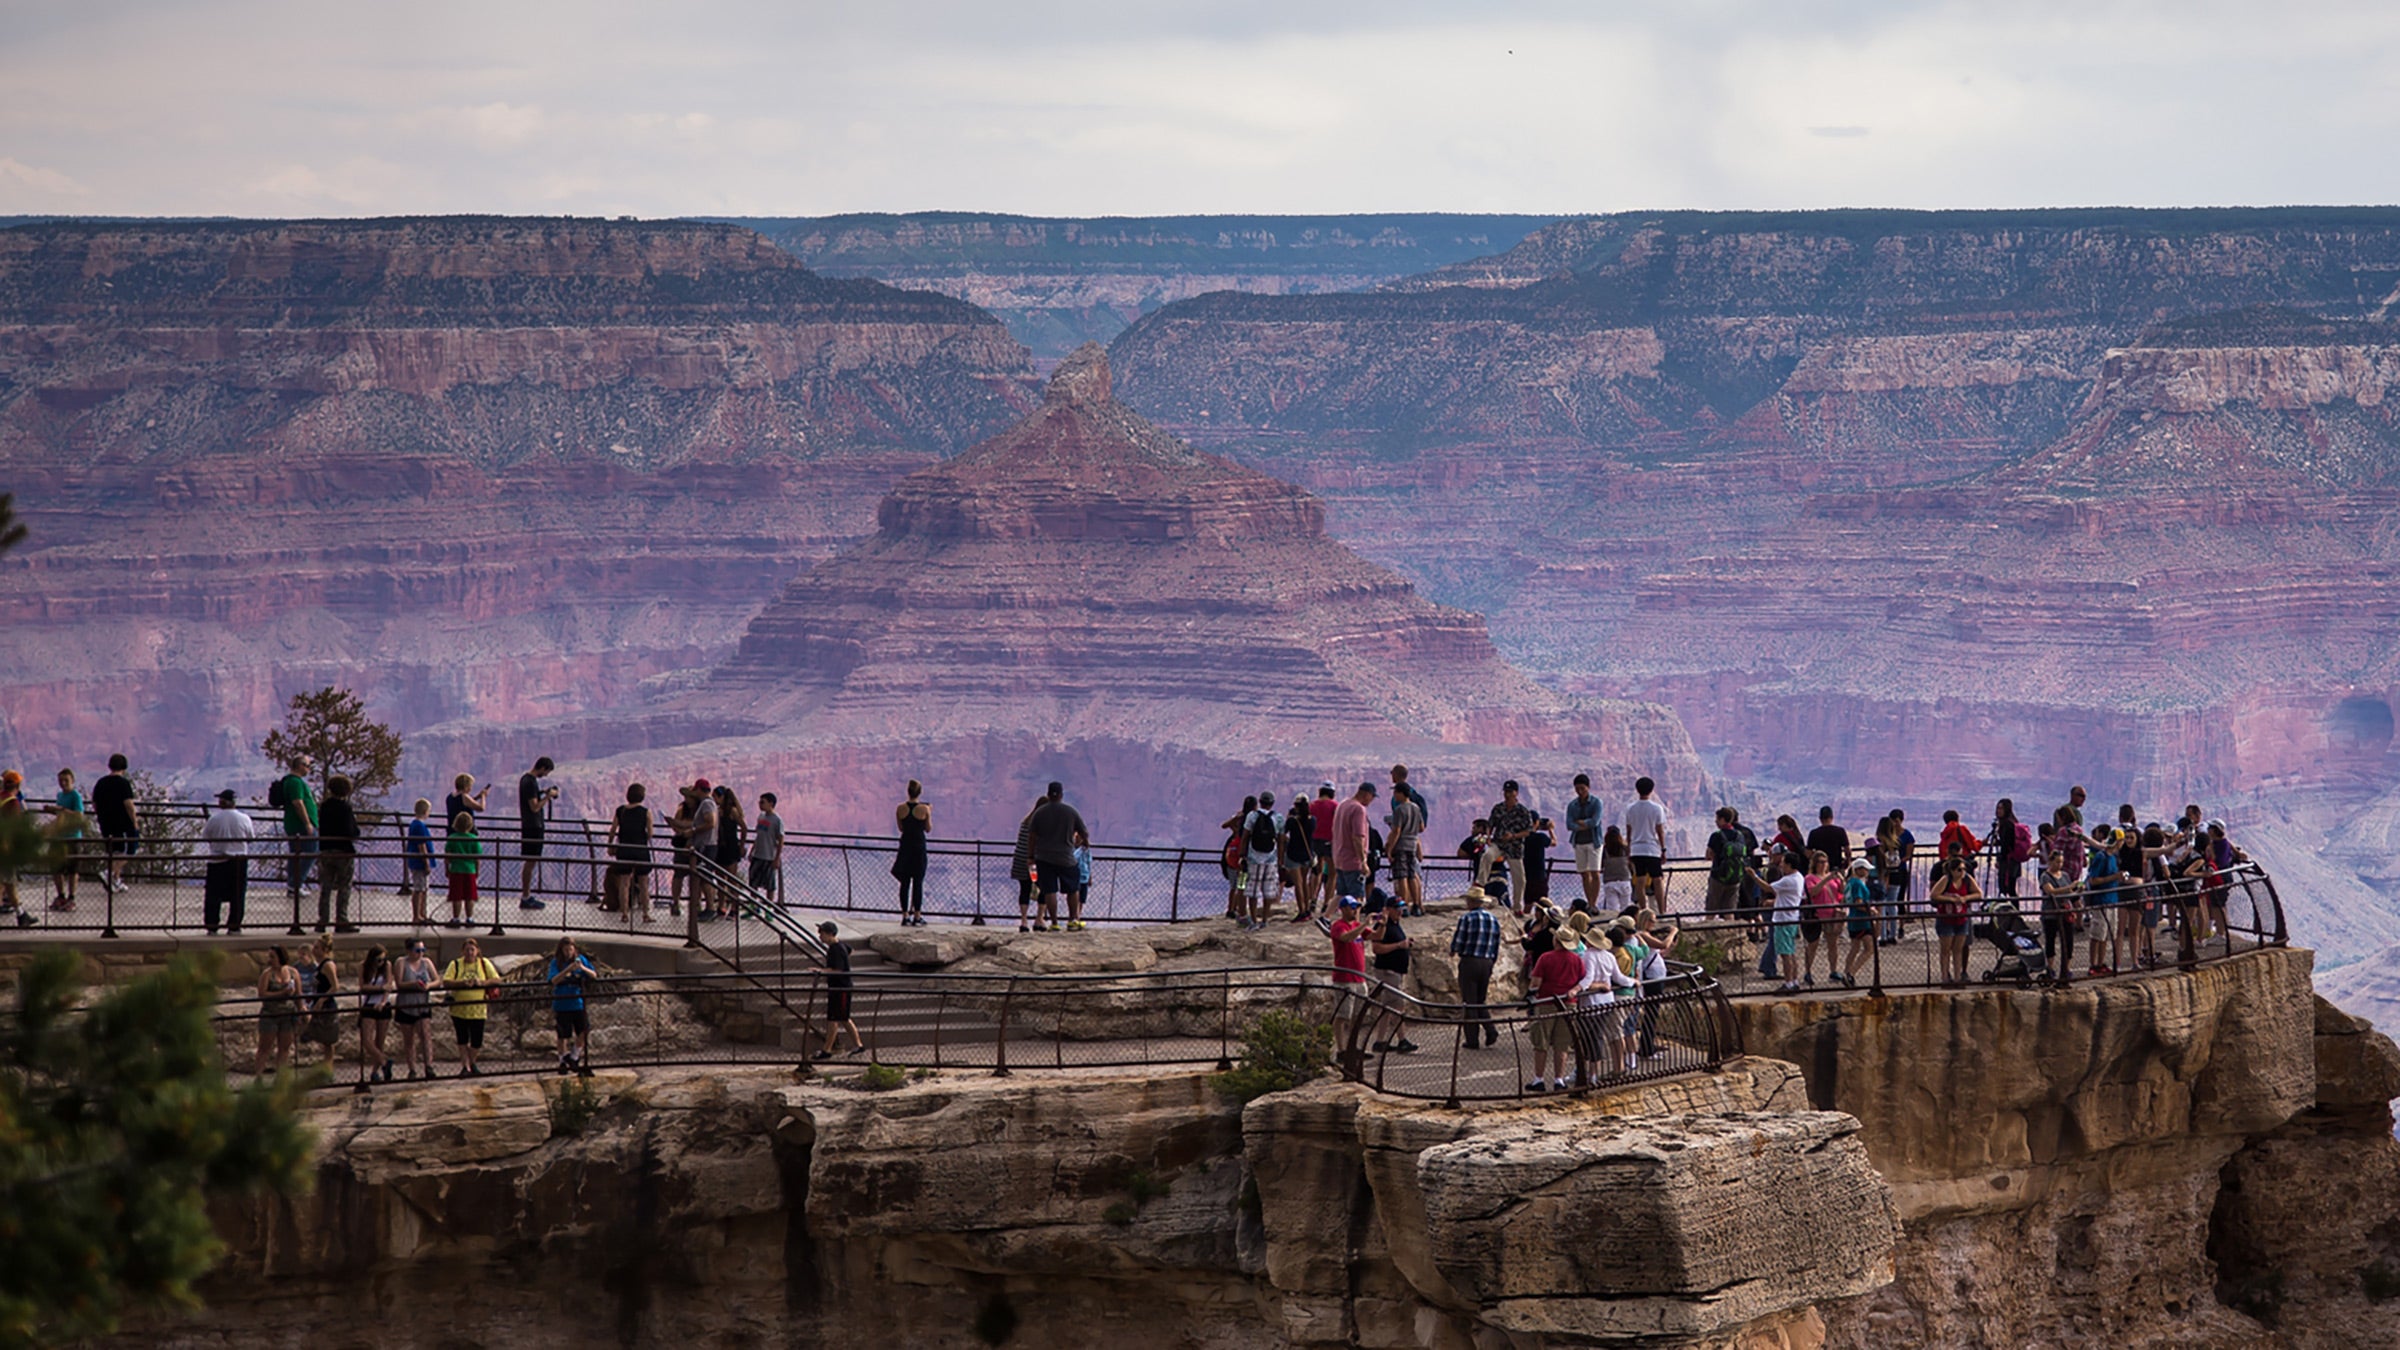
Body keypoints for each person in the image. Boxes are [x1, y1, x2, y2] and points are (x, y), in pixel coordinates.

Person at [1526, 925, 1589, 1093]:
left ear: (1556, 940)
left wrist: (1531, 994)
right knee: (1562, 1043)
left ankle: (1538, 1079)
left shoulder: (1545, 958)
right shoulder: (1576, 960)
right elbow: (1582, 979)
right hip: (1569, 1002)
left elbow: (1536, 983)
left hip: (1546, 1002)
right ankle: (1558, 1080)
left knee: (1541, 1042)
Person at [1027, 782, 1088, 933]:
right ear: (1061, 795)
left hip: (1044, 857)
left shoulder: (1039, 813)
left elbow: (1032, 837)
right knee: (1073, 889)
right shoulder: (1070, 812)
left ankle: (1054, 923)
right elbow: (1084, 832)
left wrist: (1031, 856)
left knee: (1049, 890)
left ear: (1048, 794)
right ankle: (1073, 920)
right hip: (1066, 857)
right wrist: (1082, 842)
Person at [1449, 886, 1501, 1049]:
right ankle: (1490, 1029)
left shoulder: (1467, 918)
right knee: (1480, 999)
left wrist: (1453, 950)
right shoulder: (1493, 919)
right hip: (1486, 962)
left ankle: (1472, 1039)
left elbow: (1459, 941)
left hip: (1470, 961)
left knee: (1469, 1001)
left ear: (1471, 901)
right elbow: (1496, 944)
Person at [1747, 850, 1807, 992]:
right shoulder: (1799, 877)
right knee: (1791, 952)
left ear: (1789, 865)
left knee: (1785, 954)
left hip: (1783, 919)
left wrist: (1754, 876)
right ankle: (1794, 981)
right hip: (1792, 918)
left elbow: (1768, 888)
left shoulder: (1788, 880)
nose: (1781, 865)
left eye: (1784, 863)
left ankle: (1788, 983)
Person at [201, 788, 256, 935]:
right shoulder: (245, 818)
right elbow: (250, 837)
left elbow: (206, 836)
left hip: (217, 861)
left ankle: (212, 926)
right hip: (238, 860)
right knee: (238, 895)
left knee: (213, 896)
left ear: (222, 802)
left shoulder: (214, 819)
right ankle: (234, 925)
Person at [443, 936, 500, 1077]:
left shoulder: (484, 963)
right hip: (460, 1009)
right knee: (462, 1038)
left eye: (472, 950)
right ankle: (465, 1065)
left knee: (476, 1040)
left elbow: (497, 979)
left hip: (478, 1009)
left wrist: (482, 983)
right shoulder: (455, 964)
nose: (470, 953)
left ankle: (472, 1062)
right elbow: (447, 981)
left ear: (477, 951)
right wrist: (462, 983)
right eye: (467, 950)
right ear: (462, 951)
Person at [316, 775, 361, 934]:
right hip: (343, 851)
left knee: (326, 887)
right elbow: (351, 830)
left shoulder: (324, 806)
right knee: (344, 886)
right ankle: (341, 920)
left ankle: (322, 920)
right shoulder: (345, 808)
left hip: (326, 849)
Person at [546, 936, 596, 1075]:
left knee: (584, 1030)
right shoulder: (556, 963)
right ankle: (562, 1060)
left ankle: (574, 1056)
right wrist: (567, 970)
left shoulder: (581, 960)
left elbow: (593, 975)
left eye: (570, 950)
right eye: (565, 950)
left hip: (577, 1003)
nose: (568, 952)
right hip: (562, 1004)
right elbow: (553, 980)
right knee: (563, 1035)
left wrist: (582, 968)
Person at [814, 923, 865, 1059]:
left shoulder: (836, 949)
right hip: (838, 987)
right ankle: (857, 1045)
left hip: (840, 987)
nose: (820, 936)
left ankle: (827, 1050)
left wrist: (821, 971)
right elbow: (850, 950)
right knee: (841, 1017)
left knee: (836, 1018)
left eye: (822, 933)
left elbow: (837, 969)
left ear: (830, 934)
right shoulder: (839, 946)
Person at [93, 753, 141, 898]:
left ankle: (116, 880)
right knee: (130, 850)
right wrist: (134, 821)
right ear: (124, 767)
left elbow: (95, 804)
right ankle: (108, 873)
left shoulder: (101, 783)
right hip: (123, 824)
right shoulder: (123, 783)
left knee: (115, 852)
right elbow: (128, 804)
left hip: (106, 824)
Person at [392, 939, 441, 1079]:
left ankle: (429, 1066)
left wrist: (429, 985)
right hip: (406, 1005)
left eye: (422, 950)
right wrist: (413, 984)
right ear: (409, 951)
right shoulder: (402, 962)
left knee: (425, 1035)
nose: (420, 954)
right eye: (417, 950)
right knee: (409, 1039)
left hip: (422, 1004)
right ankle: (412, 1069)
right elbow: (399, 983)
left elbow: (437, 980)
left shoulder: (426, 962)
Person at [270, 757, 316, 906]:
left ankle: (292, 885)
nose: (309, 769)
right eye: (307, 766)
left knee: (295, 855)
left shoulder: (291, 781)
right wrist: (307, 822)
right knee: (311, 853)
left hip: (293, 824)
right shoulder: (295, 782)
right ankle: (296, 885)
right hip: (300, 825)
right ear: (300, 766)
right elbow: (298, 802)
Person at [2035, 828, 2078, 986]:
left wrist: (2076, 892)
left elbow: (2069, 893)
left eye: (2061, 862)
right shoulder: (2045, 876)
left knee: (2068, 941)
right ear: (2051, 861)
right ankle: (2051, 968)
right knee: (2051, 940)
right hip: (2051, 913)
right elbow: (2051, 891)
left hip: (2065, 911)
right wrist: (2068, 888)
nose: (2060, 865)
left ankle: (2066, 968)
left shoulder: (2065, 875)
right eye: (2057, 862)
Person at [606, 783, 655, 923]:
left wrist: (610, 845)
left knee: (624, 883)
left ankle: (624, 914)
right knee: (644, 883)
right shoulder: (646, 812)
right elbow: (650, 833)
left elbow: (613, 829)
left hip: (624, 849)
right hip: (640, 850)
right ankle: (645, 914)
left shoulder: (620, 810)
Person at [1930, 855, 1980, 987]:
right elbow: (1934, 894)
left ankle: (1958, 977)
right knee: (1946, 950)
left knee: (1958, 949)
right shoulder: (1945, 880)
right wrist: (1951, 899)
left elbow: (1978, 893)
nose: (1962, 872)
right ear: (1952, 871)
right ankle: (1945, 977)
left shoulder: (1967, 879)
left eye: (1964, 869)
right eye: (1959, 870)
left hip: (1961, 918)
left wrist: (1965, 898)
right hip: (1946, 918)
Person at [1328, 894, 1370, 1046]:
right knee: (1343, 1015)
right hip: (1345, 978)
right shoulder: (1338, 926)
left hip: (1359, 977)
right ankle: (1340, 1048)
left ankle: (1354, 1046)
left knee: (1358, 1016)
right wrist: (1364, 925)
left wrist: (1382, 924)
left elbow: (1376, 936)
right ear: (1344, 909)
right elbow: (1346, 938)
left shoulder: (1356, 926)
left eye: (1357, 908)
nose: (1355, 911)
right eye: (1352, 908)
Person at [516, 758, 557, 911]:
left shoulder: (526, 780)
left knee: (531, 861)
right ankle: (526, 897)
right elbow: (534, 807)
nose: (546, 775)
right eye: (546, 772)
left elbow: (531, 798)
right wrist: (547, 797)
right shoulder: (530, 782)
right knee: (531, 861)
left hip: (530, 826)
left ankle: (527, 895)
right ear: (543, 767)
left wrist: (543, 793)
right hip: (533, 827)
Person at [1238, 792, 1282, 933]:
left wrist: (1242, 855)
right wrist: (1280, 860)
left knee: (1253, 891)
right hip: (1271, 859)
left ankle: (1253, 921)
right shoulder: (1278, 818)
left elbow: (1245, 836)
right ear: (1272, 803)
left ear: (1260, 802)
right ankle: (1265, 920)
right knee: (1268, 891)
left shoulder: (1252, 816)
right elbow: (1281, 840)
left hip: (1254, 858)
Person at [254, 945, 301, 1074]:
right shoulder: (267, 974)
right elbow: (262, 994)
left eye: (272, 957)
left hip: (288, 1014)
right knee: (264, 1048)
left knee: (284, 1048)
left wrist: (301, 1009)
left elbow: (298, 994)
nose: (269, 960)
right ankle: (258, 1077)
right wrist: (281, 993)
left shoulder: (293, 973)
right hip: (270, 1014)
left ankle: (281, 1077)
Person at [1486, 780, 1535, 905]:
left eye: (1510, 792)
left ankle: (1517, 905)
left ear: (1516, 793)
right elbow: (1490, 824)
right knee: (1487, 856)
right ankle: (1480, 883)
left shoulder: (1523, 811)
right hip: (1499, 844)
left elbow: (1528, 831)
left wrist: (1513, 836)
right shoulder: (1498, 808)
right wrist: (1488, 837)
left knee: (1520, 879)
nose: (1507, 795)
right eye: (1505, 792)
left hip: (1514, 848)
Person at [1623, 777, 1667, 911]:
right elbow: (1660, 830)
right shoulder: (1657, 808)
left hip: (1636, 849)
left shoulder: (1630, 809)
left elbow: (1629, 831)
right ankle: (1662, 911)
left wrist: (1629, 849)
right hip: (1652, 849)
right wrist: (1663, 849)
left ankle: (1642, 911)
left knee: (1640, 881)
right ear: (1652, 790)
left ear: (1637, 790)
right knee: (1657, 880)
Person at [299, 935, 342, 1067]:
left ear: (325, 950)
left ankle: (328, 1067)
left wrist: (322, 1000)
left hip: (327, 1005)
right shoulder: (319, 964)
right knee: (317, 1037)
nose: (314, 950)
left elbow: (335, 986)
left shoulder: (327, 965)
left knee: (328, 1040)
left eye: (317, 948)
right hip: (317, 1004)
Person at [1384, 781, 1425, 918]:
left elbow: (1396, 831)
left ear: (1402, 793)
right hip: (1412, 845)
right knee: (1412, 875)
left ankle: (1404, 906)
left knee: (1402, 876)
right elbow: (1421, 827)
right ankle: (1416, 905)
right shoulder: (1416, 808)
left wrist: (1389, 849)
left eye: (1396, 792)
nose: (1394, 795)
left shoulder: (1399, 810)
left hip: (1401, 845)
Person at [1801, 849, 1842, 986]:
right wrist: (1825, 880)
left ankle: (1833, 970)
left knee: (1833, 944)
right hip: (1817, 914)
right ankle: (1808, 971)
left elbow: (1841, 892)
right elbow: (1812, 892)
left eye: (1825, 862)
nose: (1823, 865)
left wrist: (1841, 880)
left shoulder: (1832, 876)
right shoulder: (1810, 878)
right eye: (1820, 862)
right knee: (1813, 944)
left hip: (1832, 913)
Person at [355, 944, 392, 1091]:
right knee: (367, 1040)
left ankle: (375, 1072)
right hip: (369, 1005)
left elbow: (389, 985)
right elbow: (363, 986)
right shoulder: (363, 967)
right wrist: (379, 988)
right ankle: (384, 1061)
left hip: (383, 1005)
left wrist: (383, 1001)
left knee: (380, 1040)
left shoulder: (387, 966)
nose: (380, 963)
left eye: (383, 960)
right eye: (378, 960)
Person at [1331, 782, 1375, 905]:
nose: (1371, 801)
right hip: (1353, 861)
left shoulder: (1343, 805)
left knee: (1341, 894)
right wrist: (1363, 861)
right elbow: (1358, 837)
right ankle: (1354, 918)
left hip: (1339, 858)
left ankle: (1326, 915)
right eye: (1372, 797)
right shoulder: (1359, 809)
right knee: (1357, 897)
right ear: (1366, 794)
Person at [1566, 774, 1605, 909]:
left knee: (1595, 873)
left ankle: (1593, 904)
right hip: (1579, 842)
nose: (1580, 791)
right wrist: (1584, 825)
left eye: (1582, 788)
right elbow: (1569, 824)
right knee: (1584, 873)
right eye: (1577, 789)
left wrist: (1581, 823)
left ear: (1588, 787)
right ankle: (1590, 901)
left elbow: (1595, 822)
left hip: (1594, 841)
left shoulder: (1596, 802)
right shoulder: (1572, 805)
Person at [892, 782, 928, 925]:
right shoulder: (924, 809)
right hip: (918, 848)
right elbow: (928, 828)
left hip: (905, 847)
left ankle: (905, 916)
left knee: (905, 883)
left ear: (908, 792)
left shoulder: (900, 808)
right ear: (920, 792)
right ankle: (917, 916)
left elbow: (901, 828)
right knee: (918, 883)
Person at [1704, 808, 1749, 919]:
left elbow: (1708, 855)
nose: (1715, 821)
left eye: (1717, 819)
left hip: (1718, 876)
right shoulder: (1739, 835)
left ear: (1722, 819)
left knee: (1711, 910)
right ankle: (1730, 928)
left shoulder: (1716, 835)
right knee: (1729, 911)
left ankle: (1707, 929)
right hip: (1735, 877)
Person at [50, 767, 83, 911]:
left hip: (72, 836)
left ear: (72, 781)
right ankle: (61, 895)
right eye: (61, 780)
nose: (63, 783)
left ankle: (72, 897)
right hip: (59, 836)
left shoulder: (76, 796)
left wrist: (62, 810)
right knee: (56, 868)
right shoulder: (60, 795)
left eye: (66, 780)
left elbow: (79, 815)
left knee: (72, 869)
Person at [1839, 860, 1876, 988]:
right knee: (1869, 948)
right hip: (1862, 920)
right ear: (1858, 869)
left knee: (1854, 948)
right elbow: (1858, 902)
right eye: (1865, 869)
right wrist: (1871, 910)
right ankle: (1851, 973)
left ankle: (1846, 972)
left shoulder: (1849, 883)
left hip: (1852, 919)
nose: (1867, 872)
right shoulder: (1858, 884)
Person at [1283, 792, 1319, 920]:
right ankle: (1308, 909)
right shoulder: (1313, 820)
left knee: (1298, 884)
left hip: (1294, 855)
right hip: (1307, 855)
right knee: (1304, 881)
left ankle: (1302, 911)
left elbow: (1283, 834)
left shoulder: (1292, 821)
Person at [444, 811, 482, 928]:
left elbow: (447, 857)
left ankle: (456, 918)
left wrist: (447, 869)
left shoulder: (452, 838)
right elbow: (477, 858)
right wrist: (477, 870)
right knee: (469, 896)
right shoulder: (474, 839)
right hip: (470, 870)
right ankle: (469, 918)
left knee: (456, 896)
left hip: (456, 870)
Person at [713, 785, 747, 918]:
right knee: (720, 879)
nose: (714, 799)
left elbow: (743, 827)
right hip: (720, 848)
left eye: (716, 797)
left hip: (731, 847)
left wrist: (741, 845)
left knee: (732, 880)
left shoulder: (732, 811)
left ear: (722, 797)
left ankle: (734, 907)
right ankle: (721, 905)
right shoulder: (717, 811)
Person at [402, 798, 435, 926]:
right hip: (420, 863)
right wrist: (426, 862)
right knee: (419, 889)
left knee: (423, 888)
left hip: (416, 861)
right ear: (426, 811)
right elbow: (422, 846)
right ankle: (417, 915)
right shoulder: (420, 826)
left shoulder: (414, 824)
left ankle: (422, 914)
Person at [1010, 796, 1040, 932]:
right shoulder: (1039, 825)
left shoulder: (1025, 822)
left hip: (1020, 862)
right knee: (1043, 888)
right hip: (1034, 863)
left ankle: (1024, 921)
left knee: (1024, 889)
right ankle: (1039, 919)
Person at [753, 791, 787, 905]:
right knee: (753, 882)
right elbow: (758, 835)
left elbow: (781, 840)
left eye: (763, 802)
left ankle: (768, 907)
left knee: (769, 885)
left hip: (769, 856)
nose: (760, 804)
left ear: (771, 803)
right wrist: (753, 850)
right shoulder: (761, 817)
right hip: (758, 855)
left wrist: (777, 858)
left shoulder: (777, 820)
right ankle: (753, 906)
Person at [1991, 798, 2030, 898]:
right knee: (2011, 888)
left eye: (2001, 808)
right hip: (2014, 861)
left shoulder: (2007, 825)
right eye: (1998, 808)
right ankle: (2013, 907)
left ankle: (2007, 907)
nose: (1998, 811)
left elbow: (2006, 844)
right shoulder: (2012, 822)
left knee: (2006, 888)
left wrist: (2000, 860)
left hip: (2008, 862)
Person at [1523, 817, 1556, 913]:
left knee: (1528, 902)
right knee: (1543, 903)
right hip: (1539, 874)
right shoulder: (1540, 837)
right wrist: (1550, 829)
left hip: (1526, 874)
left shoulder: (1522, 838)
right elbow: (1554, 842)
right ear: (1536, 823)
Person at [1599, 827, 1633, 914]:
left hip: (1610, 881)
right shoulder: (1625, 849)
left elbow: (1600, 866)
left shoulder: (1605, 850)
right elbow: (1631, 864)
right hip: (1624, 880)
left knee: (1612, 909)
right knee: (1626, 907)